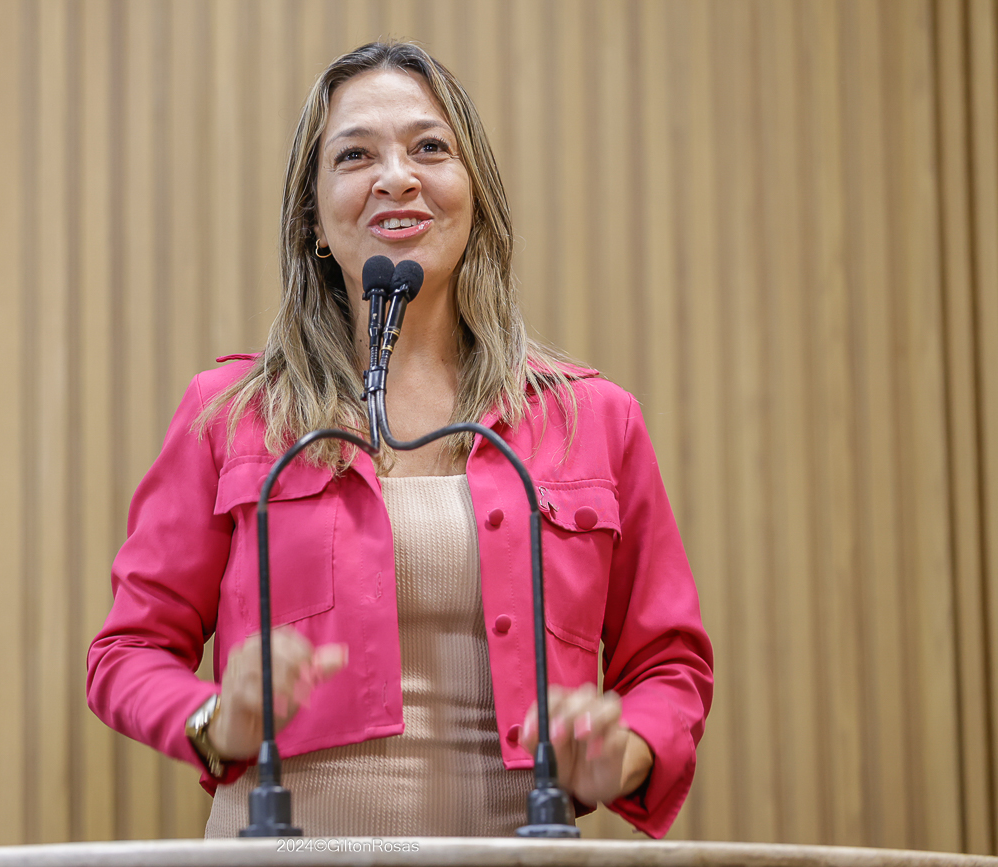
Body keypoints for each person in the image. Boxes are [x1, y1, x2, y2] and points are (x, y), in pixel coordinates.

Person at [87, 40, 712, 838]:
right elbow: (127, 650)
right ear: (314, 219)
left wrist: (622, 752)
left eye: (429, 148)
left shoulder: (593, 418)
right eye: (355, 155)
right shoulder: (231, 415)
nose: (396, 177)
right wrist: (216, 716)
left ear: (474, 194)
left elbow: (669, 664)